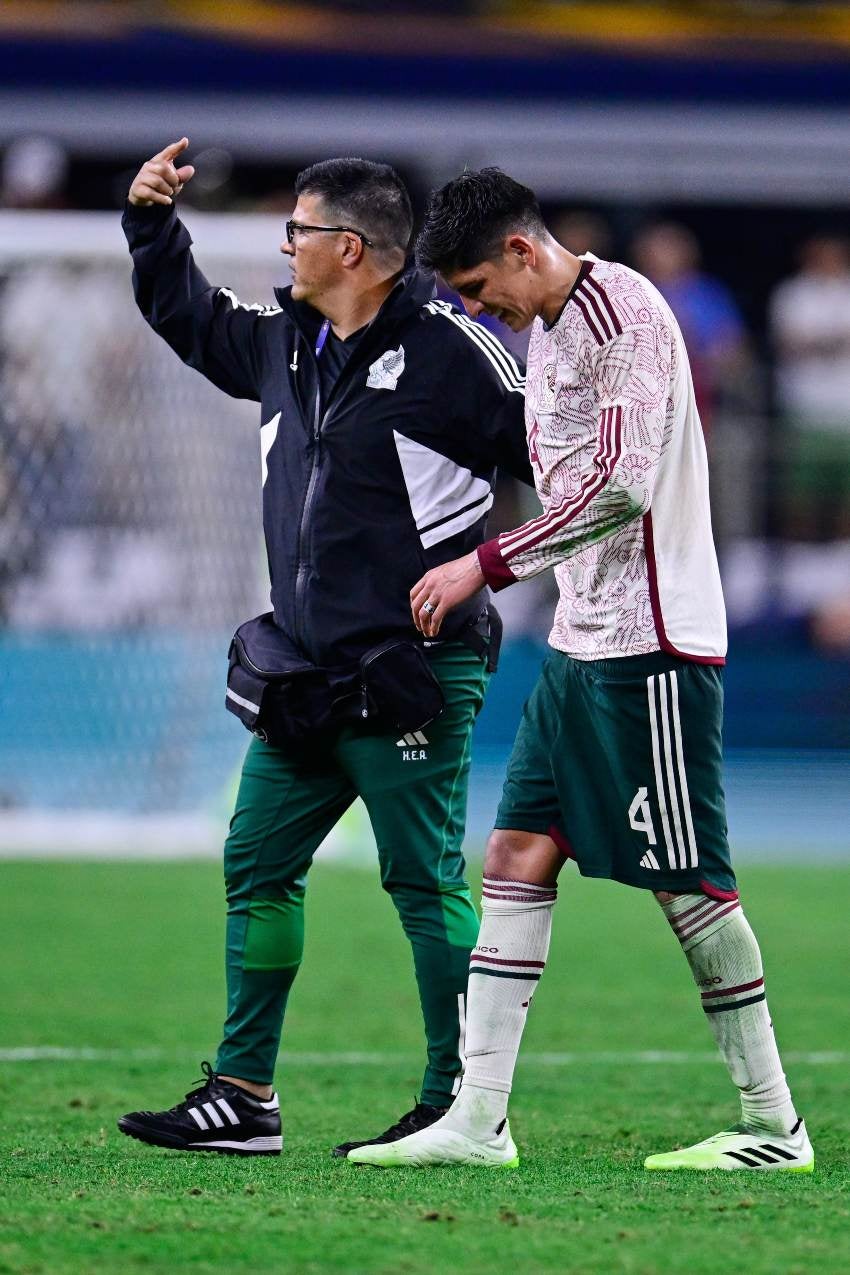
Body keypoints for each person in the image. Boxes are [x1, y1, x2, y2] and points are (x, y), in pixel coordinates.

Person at [349, 168, 813, 1174]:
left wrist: (483, 561)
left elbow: (623, 487)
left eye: (479, 287)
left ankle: (774, 1127)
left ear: (522, 248)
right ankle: (480, 1121)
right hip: (581, 641)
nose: (480, 309)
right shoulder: (548, 331)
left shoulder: (624, 315)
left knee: (689, 885)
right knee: (515, 852)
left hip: (652, 646)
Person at [116, 142, 532, 1157]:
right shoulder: (285, 340)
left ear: (348, 248)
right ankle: (245, 1096)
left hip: (415, 669)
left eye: (297, 231)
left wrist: (487, 570)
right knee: (257, 862)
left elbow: (568, 480)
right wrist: (149, 225)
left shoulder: (456, 355)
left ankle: (461, 1106)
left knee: (421, 881)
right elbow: (188, 318)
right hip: (305, 670)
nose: (284, 246)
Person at [769, 233, 850, 540]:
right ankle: (799, 557)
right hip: (805, 409)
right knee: (800, 494)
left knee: (845, 495)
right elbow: (789, 343)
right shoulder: (793, 294)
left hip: (845, 412)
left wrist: (817, 342)